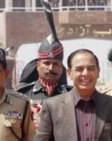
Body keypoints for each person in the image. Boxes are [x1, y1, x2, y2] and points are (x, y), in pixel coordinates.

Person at [34, 49, 112, 141]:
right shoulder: (52, 107)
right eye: (79, 69)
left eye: (91, 68)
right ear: (69, 73)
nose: (85, 73)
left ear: (98, 72)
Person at [17, 1, 72, 130]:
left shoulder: (71, 94)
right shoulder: (23, 94)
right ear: (38, 65)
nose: (51, 68)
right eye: (46, 63)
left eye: (55, 64)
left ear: (61, 68)